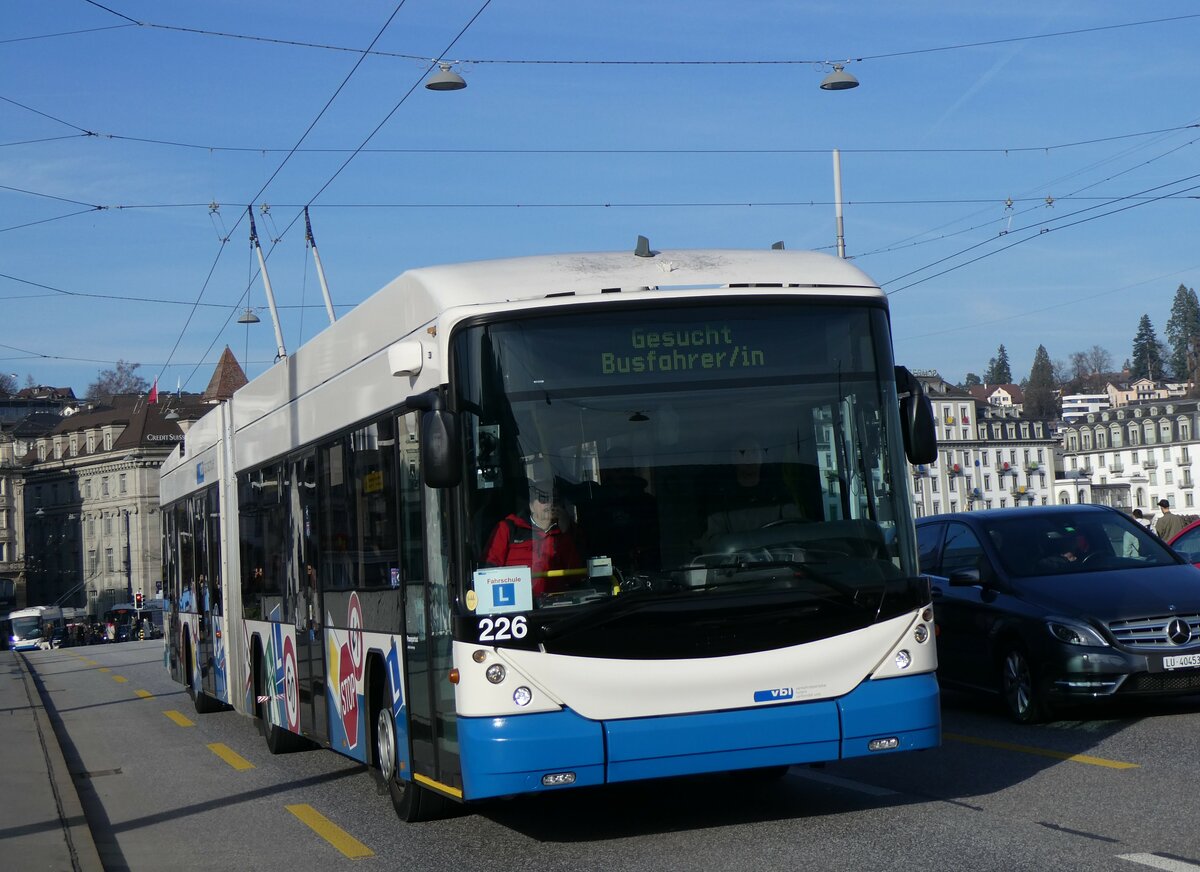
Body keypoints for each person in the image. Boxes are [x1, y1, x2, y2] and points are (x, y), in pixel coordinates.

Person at [484, 476, 584, 597]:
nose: (550, 503)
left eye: (555, 499)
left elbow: (577, 577)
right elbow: (488, 572)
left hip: (557, 603)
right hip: (516, 602)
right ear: (531, 505)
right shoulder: (508, 529)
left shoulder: (569, 531)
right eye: (544, 498)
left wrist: (566, 532)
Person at [702, 436, 802, 546]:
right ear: (733, 459)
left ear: (762, 457)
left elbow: (794, 532)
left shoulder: (780, 494)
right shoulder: (721, 499)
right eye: (742, 452)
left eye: (754, 452)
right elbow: (716, 542)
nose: (749, 457)